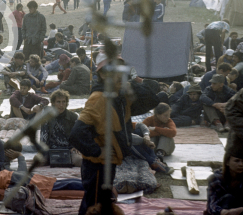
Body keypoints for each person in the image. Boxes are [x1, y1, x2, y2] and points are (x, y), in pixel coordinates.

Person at [69, 57, 159, 215]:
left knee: (97, 202)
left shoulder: (120, 97)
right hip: (97, 164)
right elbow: (76, 133)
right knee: (93, 205)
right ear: (103, 75)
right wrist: (97, 151)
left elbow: (152, 100)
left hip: (109, 162)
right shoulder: (99, 99)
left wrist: (132, 83)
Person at [41, 90, 82, 167]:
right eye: (58, 102)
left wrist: (76, 146)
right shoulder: (47, 116)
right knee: (39, 161)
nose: (61, 105)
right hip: (51, 150)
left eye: (64, 102)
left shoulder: (73, 117)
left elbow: (78, 135)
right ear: (53, 103)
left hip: (69, 149)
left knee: (79, 161)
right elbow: (43, 137)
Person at [205, 148, 243, 215]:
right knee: (228, 198)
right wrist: (227, 212)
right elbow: (211, 205)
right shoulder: (215, 179)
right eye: (237, 161)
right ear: (227, 162)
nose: (241, 164)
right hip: (223, 210)